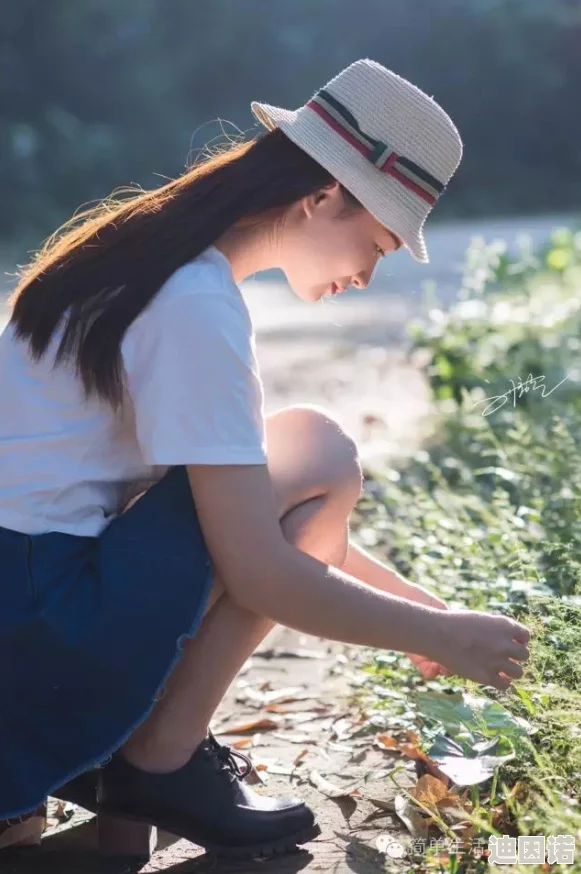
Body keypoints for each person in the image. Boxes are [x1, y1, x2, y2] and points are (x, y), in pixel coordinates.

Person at [0, 58, 531, 860]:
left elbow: (259, 513)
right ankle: (158, 763)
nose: (366, 274)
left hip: (25, 600)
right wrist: (446, 639)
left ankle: (126, 789)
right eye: (378, 243)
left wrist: (427, 613)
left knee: (299, 454)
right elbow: (259, 565)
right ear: (322, 197)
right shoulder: (193, 303)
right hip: (32, 620)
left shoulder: (144, 258)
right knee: (315, 442)